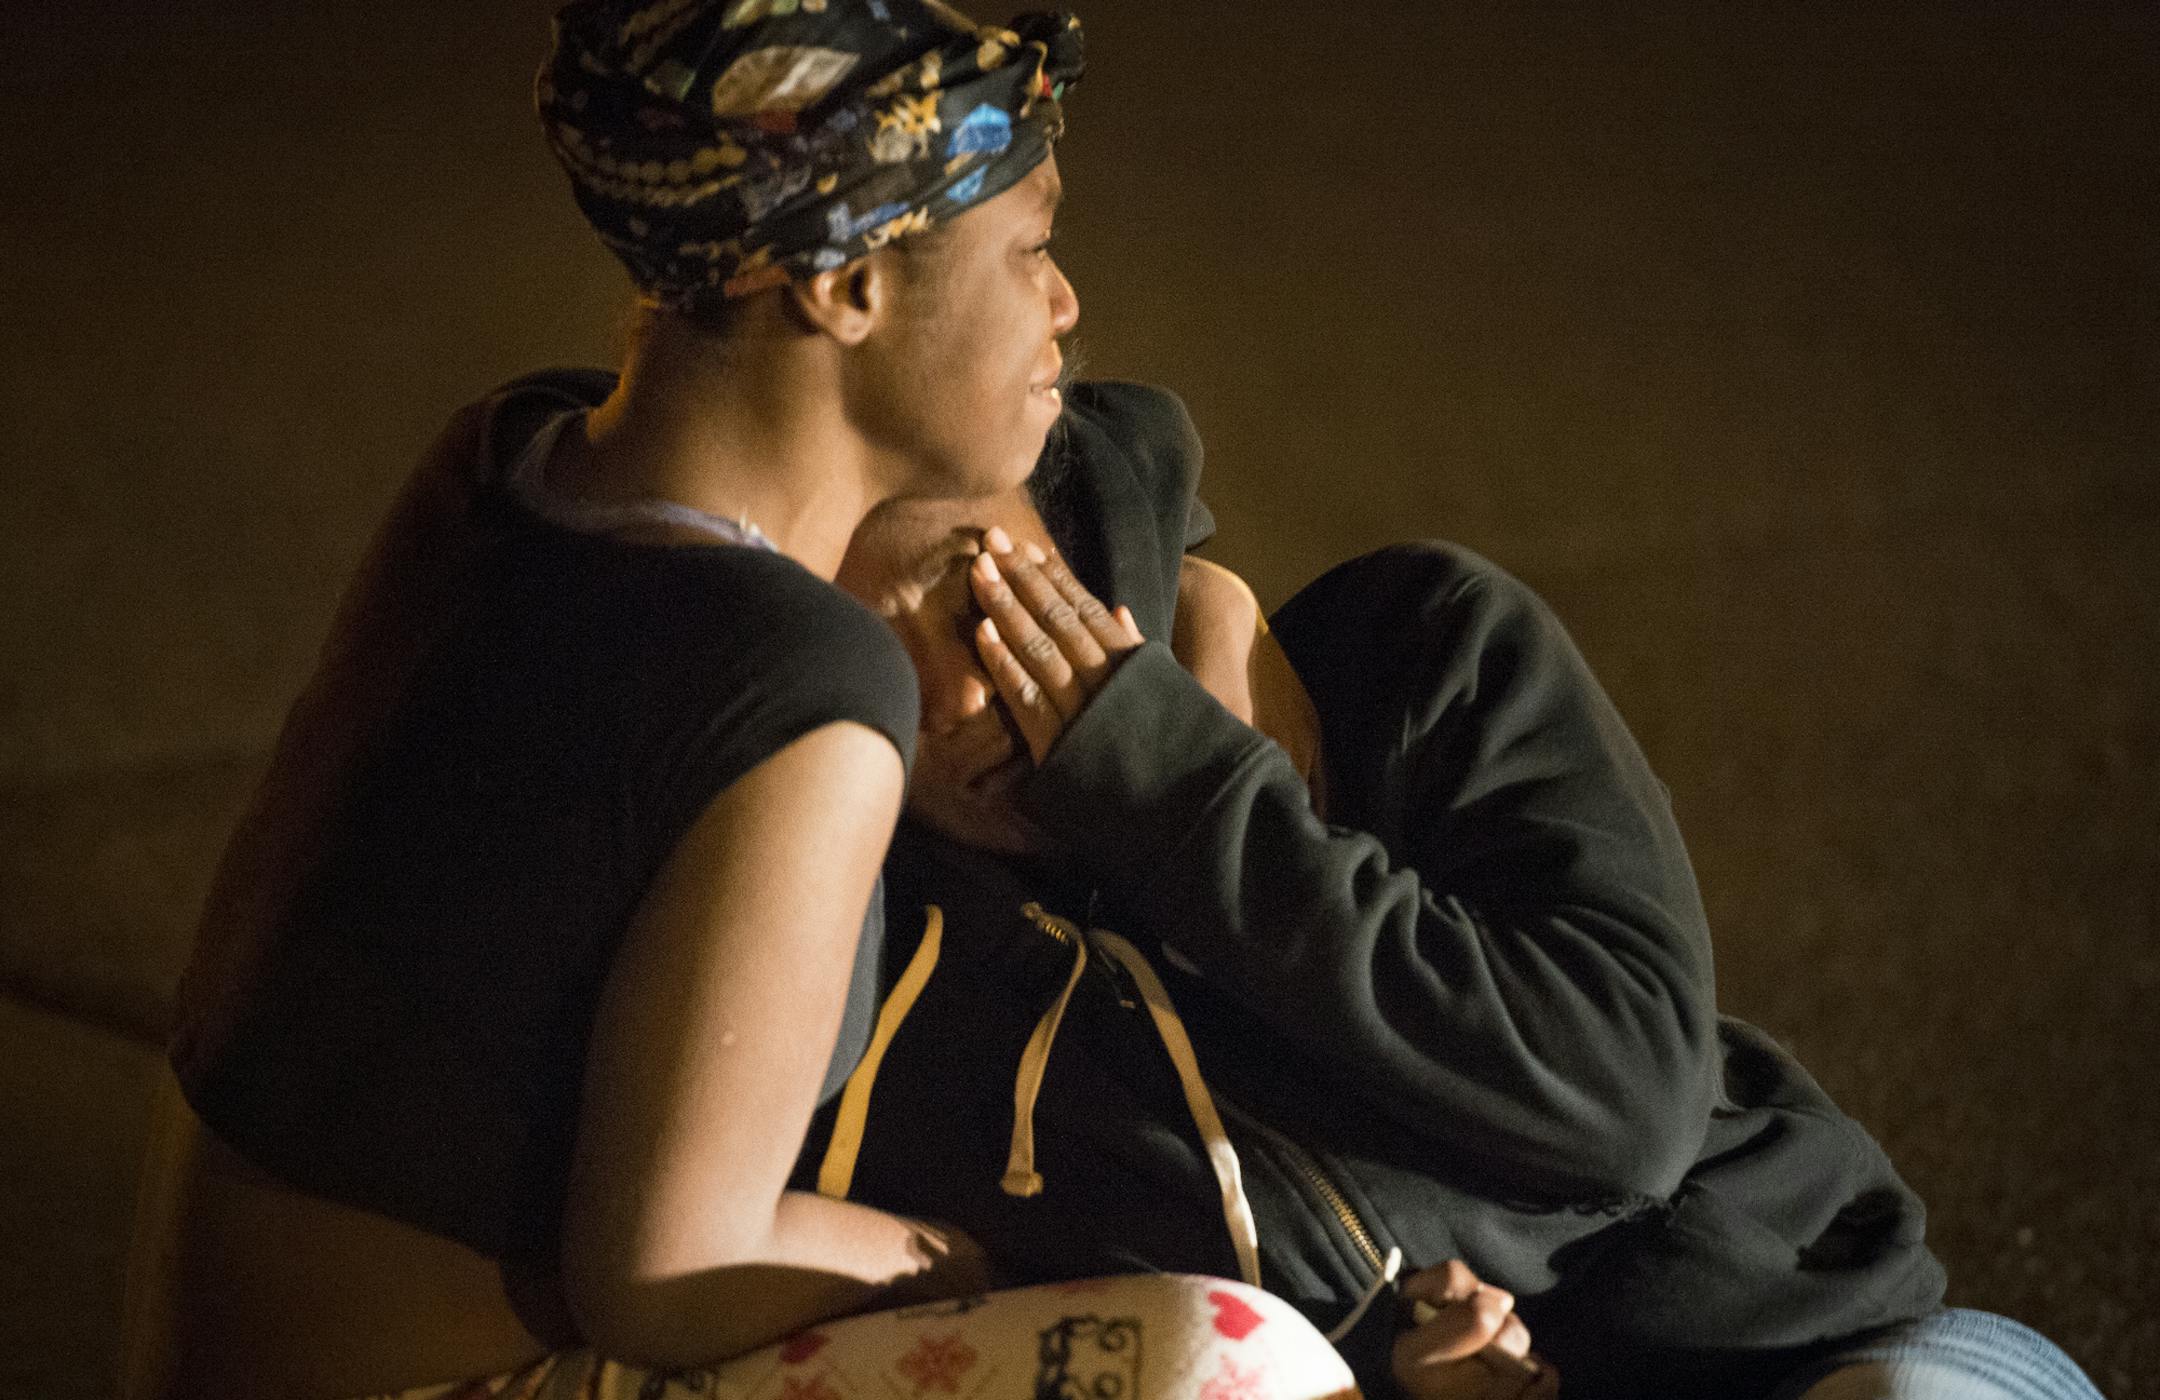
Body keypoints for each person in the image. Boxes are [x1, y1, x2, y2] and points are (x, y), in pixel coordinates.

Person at [147, 2, 1117, 1395]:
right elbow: (668, 1275)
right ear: (845, 283)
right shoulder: (802, 688)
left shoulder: (511, 457)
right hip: (447, 1378)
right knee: (1232, 1358)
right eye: (1032, 246)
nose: (1065, 302)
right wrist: (985, 1274)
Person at [803, 380, 2108, 1400]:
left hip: (1801, 1353)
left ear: (1087, 542)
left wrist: (1176, 789)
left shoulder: (1417, 655)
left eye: (978, 593)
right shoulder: (934, 956)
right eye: (874, 662)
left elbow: (1622, 1105)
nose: (957, 698)